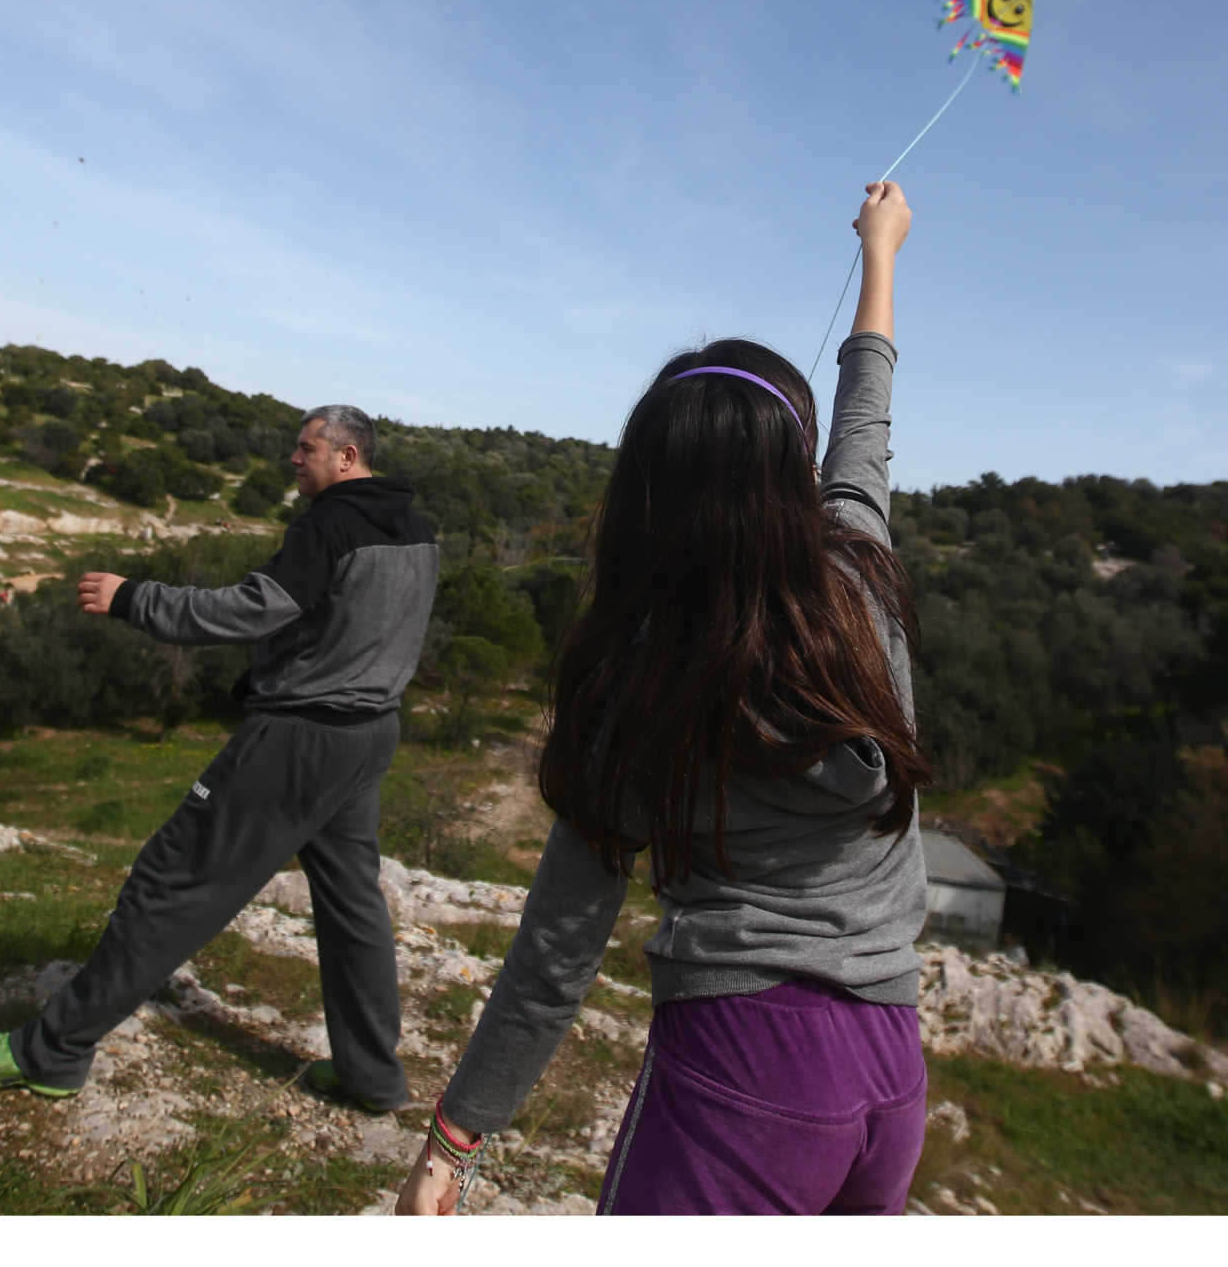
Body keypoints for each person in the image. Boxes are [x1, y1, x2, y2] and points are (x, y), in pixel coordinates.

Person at [397, 182, 929, 1217]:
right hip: (891, 1065)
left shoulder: (641, 681)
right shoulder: (861, 576)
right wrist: (882, 253)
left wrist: (454, 1136)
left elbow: (559, 945)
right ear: (793, 474)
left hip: (748, 1067)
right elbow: (867, 414)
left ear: (644, 488)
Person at [0, 406, 439, 1110]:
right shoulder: (418, 529)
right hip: (370, 734)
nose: (293, 460)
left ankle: (51, 1053)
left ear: (347, 456)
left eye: (305, 450)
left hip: (298, 737)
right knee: (352, 905)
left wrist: (136, 598)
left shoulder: (329, 524)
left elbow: (254, 608)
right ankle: (373, 1077)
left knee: (172, 879)